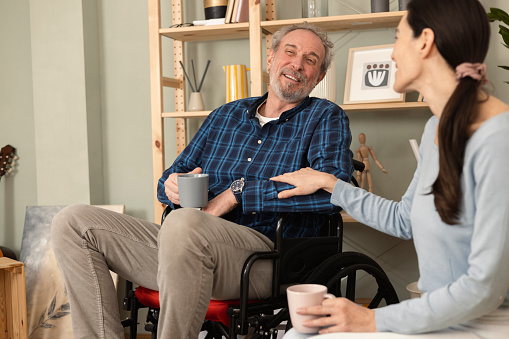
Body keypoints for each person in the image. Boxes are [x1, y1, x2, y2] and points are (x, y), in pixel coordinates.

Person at [51, 22, 354, 339]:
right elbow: (172, 177)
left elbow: (334, 192)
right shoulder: (226, 115)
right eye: (290, 52)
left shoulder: (325, 117)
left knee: (185, 224)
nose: (297, 64)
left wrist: (239, 192)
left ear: (319, 76)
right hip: (182, 249)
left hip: (264, 259)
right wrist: (171, 185)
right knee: (71, 221)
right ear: (271, 58)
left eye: (310, 59)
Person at [272, 0, 509, 338]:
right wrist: (329, 183)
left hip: (481, 324)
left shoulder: (499, 138)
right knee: (299, 334)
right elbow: (404, 220)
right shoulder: (436, 129)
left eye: (398, 37)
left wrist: (370, 320)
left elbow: (484, 288)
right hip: (438, 317)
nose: (393, 54)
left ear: (424, 41)